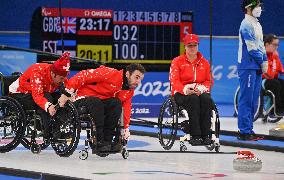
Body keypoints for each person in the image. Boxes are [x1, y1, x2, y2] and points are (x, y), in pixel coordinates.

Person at [59, 63, 145, 152]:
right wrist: (67, 93)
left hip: (99, 103)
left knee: (116, 103)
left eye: (140, 79)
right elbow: (83, 75)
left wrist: (126, 128)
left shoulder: (128, 90)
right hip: (82, 98)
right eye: (137, 77)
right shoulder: (110, 73)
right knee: (96, 103)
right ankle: (98, 141)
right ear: (127, 74)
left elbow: (126, 109)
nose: (139, 82)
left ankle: (107, 142)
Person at [9, 52, 71, 140]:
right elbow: (38, 96)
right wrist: (49, 106)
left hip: (39, 92)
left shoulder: (59, 74)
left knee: (60, 99)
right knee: (47, 98)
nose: (62, 80)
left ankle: (57, 129)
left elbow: (68, 89)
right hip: (19, 93)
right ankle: (48, 133)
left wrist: (70, 97)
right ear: (53, 74)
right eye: (61, 78)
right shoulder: (38, 73)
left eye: (64, 78)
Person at [169, 33, 213, 145]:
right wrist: (185, 90)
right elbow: (174, 81)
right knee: (193, 99)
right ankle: (196, 135)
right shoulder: (177, 61)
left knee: (206, 99)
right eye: (190, 45)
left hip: (198, 91)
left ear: (198, 46)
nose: (192, 48)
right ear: (185, 46)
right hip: (181, 93)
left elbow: (209, 80)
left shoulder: (205, 63)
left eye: (194, 45)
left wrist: (202, 88)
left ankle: (206, 134)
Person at [237, 0, 268, 141]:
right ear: (249, 8)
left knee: (254, 100)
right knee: (246, 99)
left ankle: (249, 128)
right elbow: (251, 48)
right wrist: (262, 61)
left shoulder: (257, 24)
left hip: (256, 65)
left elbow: (261, 45)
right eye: (257, 6)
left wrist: (265, 59)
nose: (260, 8)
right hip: (248, 65)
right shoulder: (246, 24)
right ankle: (243, 131)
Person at [262, 34, 284, 116]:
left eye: (277, 45)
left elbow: (281, 70)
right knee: (275, 83)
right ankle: (277, 109)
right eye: (274, 45)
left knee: (282, 83)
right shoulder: (261, 54)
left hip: (271, 80)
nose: (276, 47)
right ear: (267, 44)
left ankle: (282, 109)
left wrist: (276, 59)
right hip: (260, 81)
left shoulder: (275, 56)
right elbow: (265, 73)